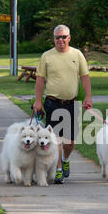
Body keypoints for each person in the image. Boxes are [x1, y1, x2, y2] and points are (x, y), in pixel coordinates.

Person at [33, 24, 92, 184]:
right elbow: (40, 79)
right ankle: (58, 170)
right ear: (54, 39)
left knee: (70, 141)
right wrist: (38, 101)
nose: (60, 40)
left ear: (69, 38)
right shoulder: (47, 56)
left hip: (71, 103)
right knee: (56, 138)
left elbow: (85, 77)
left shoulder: (77, 54)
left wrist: (88, 97)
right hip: (52, 102)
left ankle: (65, 159)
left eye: (63, 37)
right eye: (58, 37)